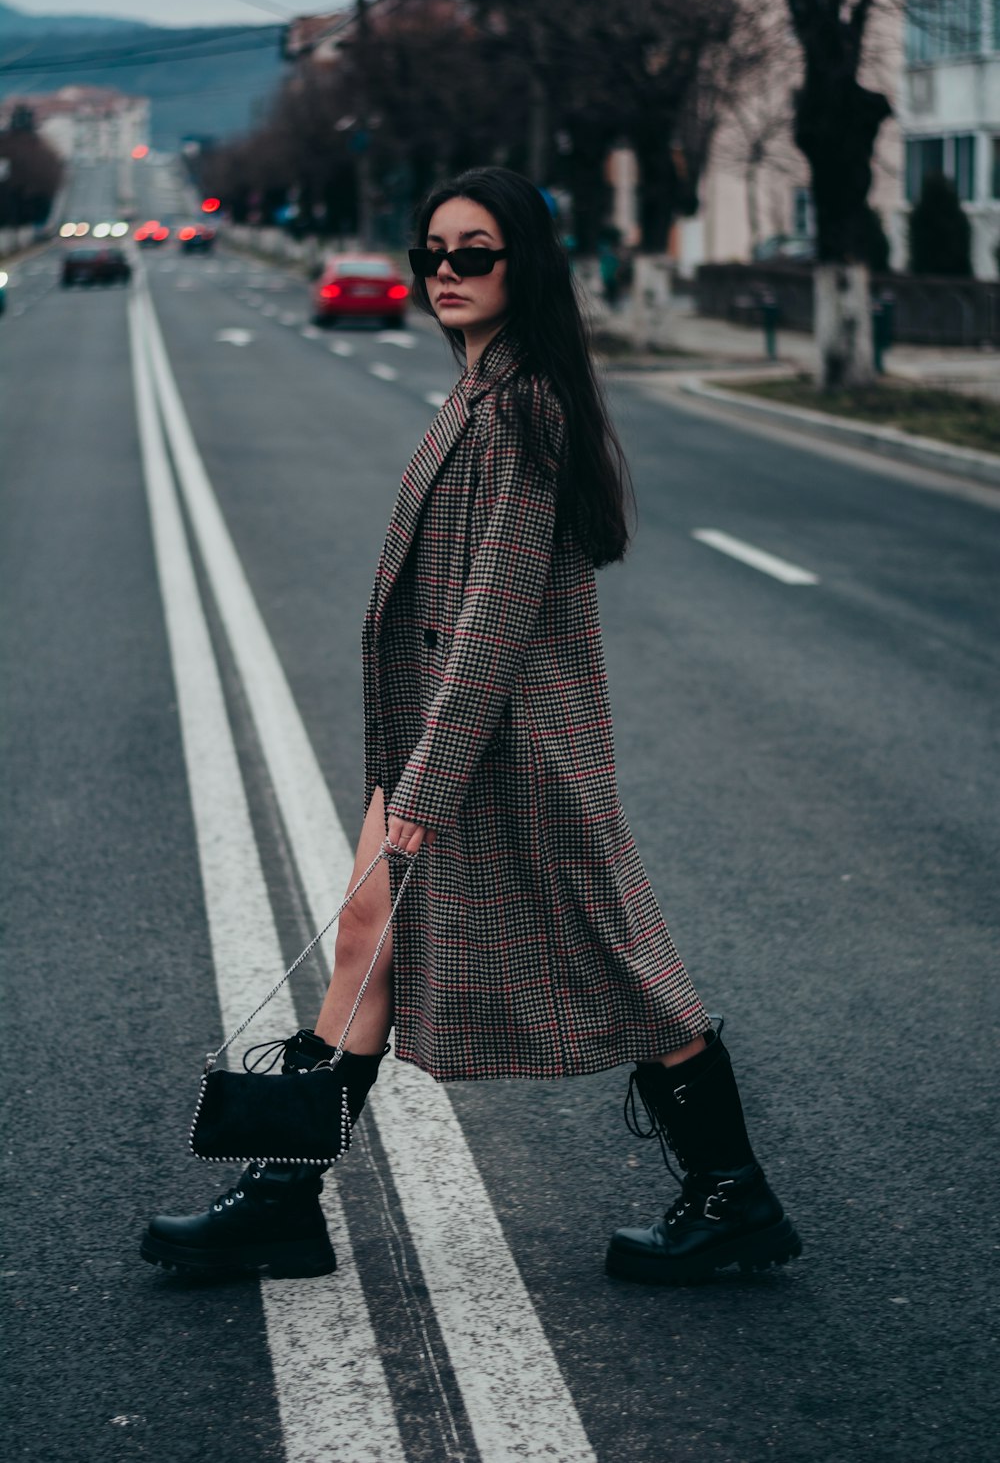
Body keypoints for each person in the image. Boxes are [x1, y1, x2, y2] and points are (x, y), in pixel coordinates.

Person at [142, 168, 801, 1286]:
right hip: (450, 740)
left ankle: (735, 1198)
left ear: (522, 267)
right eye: (432, 253)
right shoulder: (483, 392)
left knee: (630, 971)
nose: (444, 272)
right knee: (365, 945)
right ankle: (281, 1199)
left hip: (515, 755)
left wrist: (423, 793)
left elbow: (494, 612)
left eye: (473, 254)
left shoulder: (523, 407)